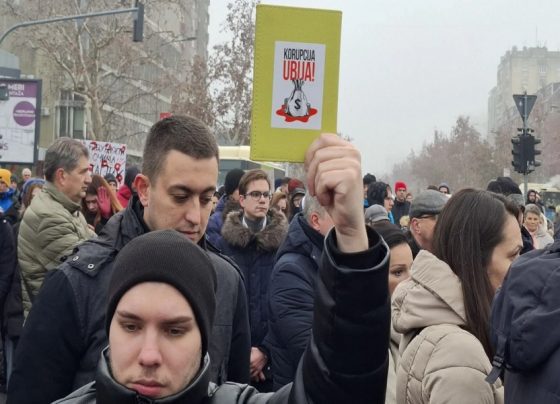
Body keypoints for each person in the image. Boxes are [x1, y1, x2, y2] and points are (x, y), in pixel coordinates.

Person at [54, 133, 392, 404]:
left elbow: (341, 387)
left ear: (203, 335)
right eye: (130, 326)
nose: (149, 355)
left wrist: (351, 239)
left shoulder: (227, 279)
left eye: (175, 330)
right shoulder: (74, 281)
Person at [8, 115, 251, 403]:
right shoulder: (76, 282)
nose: (195, 217)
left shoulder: (228, 280)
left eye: (206, 199)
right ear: (144, 189)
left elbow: (233, 389)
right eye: (180, 196)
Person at [392, 189, 522, 403]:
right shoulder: (458, 354)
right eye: (514, 254)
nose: (522, 265)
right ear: (476, 259)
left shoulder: (442, 322)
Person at [217, 169, 289, 391]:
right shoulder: (224, 245)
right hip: (232, 360)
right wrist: (240, 353)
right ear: (242, 199)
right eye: (255, 194)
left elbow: (287, 306)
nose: (262, 200)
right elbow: (221, 305)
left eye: (266, 195)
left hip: (273, 361)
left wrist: (265, 351)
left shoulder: (284, 245)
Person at [17, 138, 95, 317]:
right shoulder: (48, 216)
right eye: (83, 172)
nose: (89, 179)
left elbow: (98, 249)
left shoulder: (68, 209)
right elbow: (88, 270)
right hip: (54, 330)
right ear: (62, 176)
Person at [266, 193, 333, 390]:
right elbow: (308, 350)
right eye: (339, 216)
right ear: (316, 221)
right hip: (301, 391)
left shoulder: (331, 257)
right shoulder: (291, 270)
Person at [3, 178, 44, 385]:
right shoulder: (16, 229)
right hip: (16, 314)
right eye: (34, 198)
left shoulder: (50, 231)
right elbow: (9, 274)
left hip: (40, 317)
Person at [369, 220, 413, 404]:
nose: (411, 280)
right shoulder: (367, 339)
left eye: (413, 268)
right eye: (398, 272)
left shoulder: (417, 323)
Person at [206, 168, 245, 246]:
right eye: (240, 189)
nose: (244, 193)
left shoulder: (251, 215)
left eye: (246, 188)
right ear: (231, 192)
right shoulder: (215, 220)